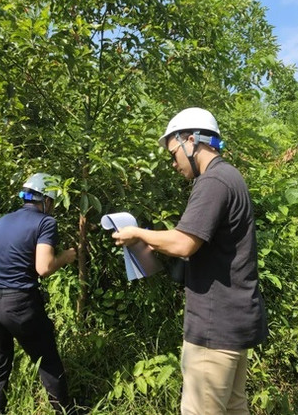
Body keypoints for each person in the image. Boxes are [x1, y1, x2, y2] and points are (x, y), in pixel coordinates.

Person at [111, 107, 268, 415]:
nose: (173, 163)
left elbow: (184, 244)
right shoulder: (231, 176)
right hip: (234, 323)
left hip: (214, 326)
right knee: (234, 407)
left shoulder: (213, 182)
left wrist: (139, 233)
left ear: (192, 141)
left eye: (173, 153)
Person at [0, 173, 77, 415]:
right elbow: (43, 268)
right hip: (19, 304)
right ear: (46, 201)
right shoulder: (45, 223)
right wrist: (67, 256)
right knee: (48, 361)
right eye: (52, 203)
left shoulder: (1, 221)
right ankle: (66, 412)